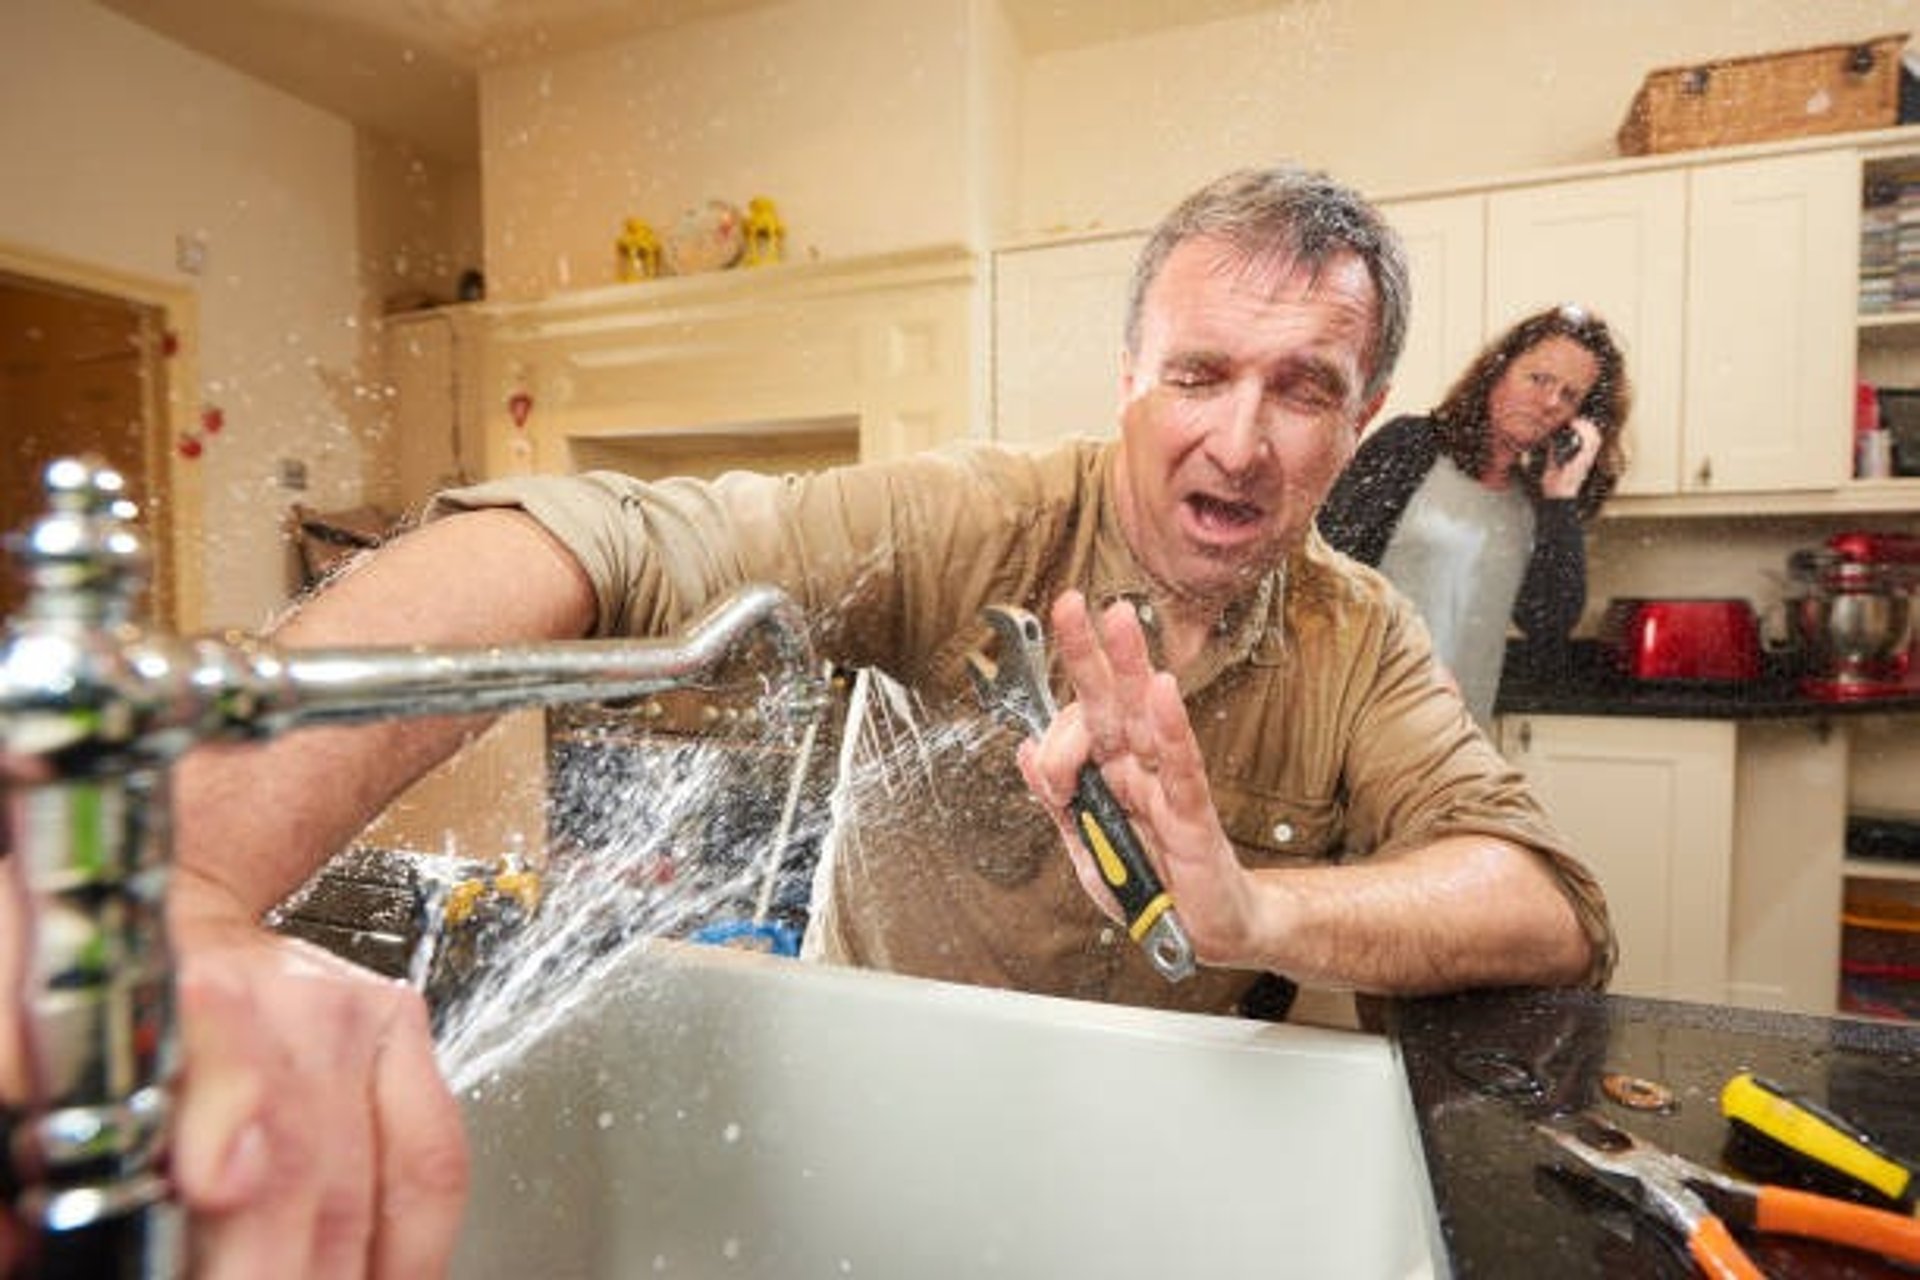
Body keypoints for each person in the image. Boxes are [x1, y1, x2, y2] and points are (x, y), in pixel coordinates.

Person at [13, 165, 1614, 1277]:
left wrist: (1258, 906)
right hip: (864, 1110)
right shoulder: (972, 523)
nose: (1243, 442)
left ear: (1367, 410)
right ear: (1128, 372)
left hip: (1156, 1148)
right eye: (1198, 372)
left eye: (1306, 388)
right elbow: (608, 541)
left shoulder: (1358, 636)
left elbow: (1542, 898)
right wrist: (195, 891)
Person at [1317, 304, 1631, 726]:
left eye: (1570, 395)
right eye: (1539, 379)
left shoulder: (1536, 502)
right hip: (1358, 725)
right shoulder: (1409, 446)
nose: (1550, 402)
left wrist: (1561, 496)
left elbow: (1548, 621)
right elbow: (1320, 574)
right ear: (1498, 371)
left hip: (1462, 741)